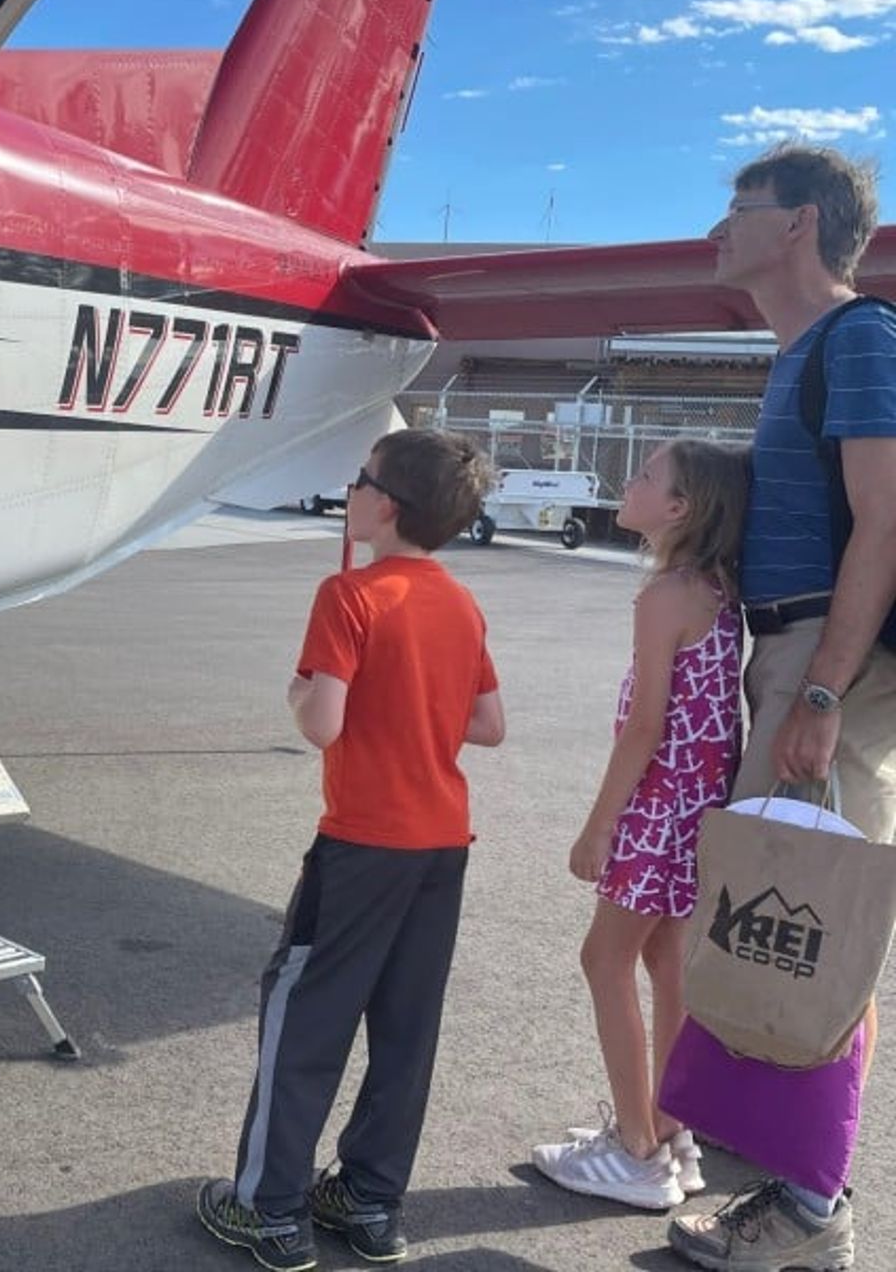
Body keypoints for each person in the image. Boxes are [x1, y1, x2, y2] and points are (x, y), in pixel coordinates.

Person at [197, 429, 504, 1272]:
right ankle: (370, 1200)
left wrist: (300, 690)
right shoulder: (457, 600)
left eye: (361, 478)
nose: (352, 487)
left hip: (364, 842)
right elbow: (487, 724)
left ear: (386, 505)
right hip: (441, 843)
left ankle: (270, 1207)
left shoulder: (349, 595)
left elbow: (321, 720)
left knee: (306, 1017)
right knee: (406, 1028)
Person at [667, 145, 896, 1270]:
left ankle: (810, 1214)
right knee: (783, 919)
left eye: (738, 208)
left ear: (799, 224)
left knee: (813, 923)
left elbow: (885, 519)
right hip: (798, 649)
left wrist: (820, 688)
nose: (719, 226)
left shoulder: (860, 337)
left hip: (826, 657)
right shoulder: (803, 351)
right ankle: (794, 1189)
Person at [531, 440, 747, 1211]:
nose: (631, 481)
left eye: (647, 476)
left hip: (659, 807)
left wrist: (597, 828)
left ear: (680, 510)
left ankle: (636, 1147)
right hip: (698, 810)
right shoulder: (719, 588)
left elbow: (645, 728)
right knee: (665, 961)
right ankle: (670, 1127)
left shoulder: (664, 597)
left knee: (604, 959)